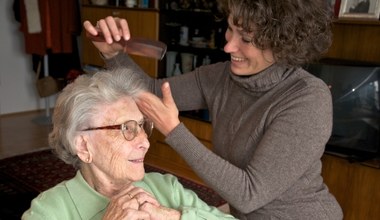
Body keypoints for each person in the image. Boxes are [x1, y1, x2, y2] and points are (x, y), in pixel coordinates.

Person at [83, 0, 343, 219]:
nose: (229, 46)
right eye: (231, 29)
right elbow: (151, 92)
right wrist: (112, 54)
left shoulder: (307, 99)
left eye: (247, 39)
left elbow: (249, 193)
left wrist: (173, 130)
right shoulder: (220, 77)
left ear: (283, 43)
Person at [22, 68, 237, 220]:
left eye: (142, 126)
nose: (145, 141)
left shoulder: (165, 189)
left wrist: (175, 216)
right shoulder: (49, 212)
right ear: (84, 147)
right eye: (126, 128)